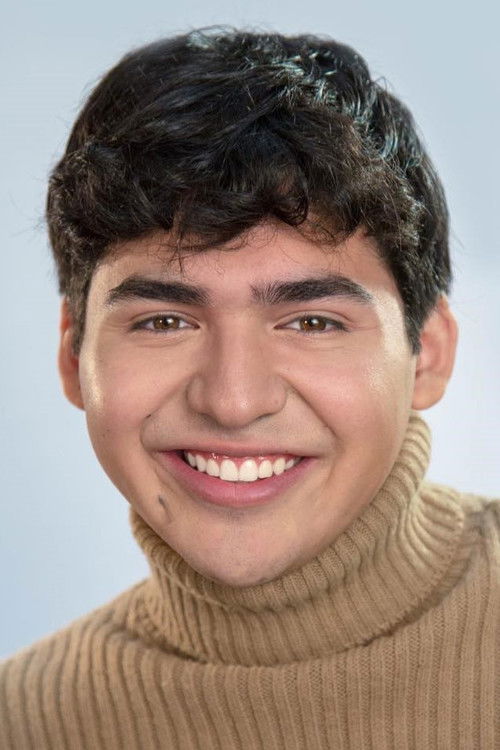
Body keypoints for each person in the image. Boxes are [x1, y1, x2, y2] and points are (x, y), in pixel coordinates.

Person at [1, 27, 498, 750]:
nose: (234, 402)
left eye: (313, 322)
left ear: (426, 354)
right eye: (165, 321)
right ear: (73, 355)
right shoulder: (23, 721)